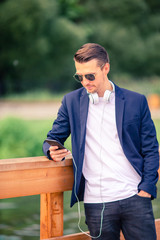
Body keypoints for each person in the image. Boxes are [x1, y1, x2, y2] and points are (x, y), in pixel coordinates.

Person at [43, 43, 159, 240]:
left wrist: (147, 189)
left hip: (135, 197)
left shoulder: (136, 101)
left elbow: (151, 149)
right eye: (79, 76)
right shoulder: (70, 102)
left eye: (90, 75)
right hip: (96, 203)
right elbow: (53, 138)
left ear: (106, 68)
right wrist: (50, 150)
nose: (85, 81)